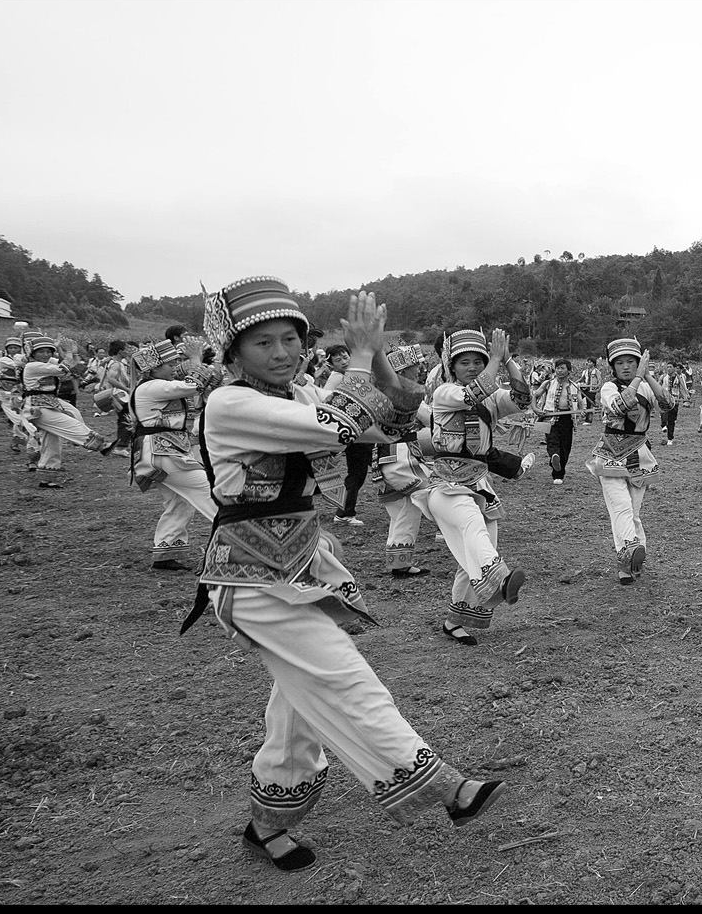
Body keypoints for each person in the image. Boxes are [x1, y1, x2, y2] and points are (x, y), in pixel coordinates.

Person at [184, 280, 505, 871]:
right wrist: (359, 358)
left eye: (290, 339)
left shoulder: (302, 391)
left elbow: (397, 418)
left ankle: (267, 823)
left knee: (297, 714)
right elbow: (341, 425)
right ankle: (445, 787)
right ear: (232, 354)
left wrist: (376, 355)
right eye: (263, 343)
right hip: (255, 579)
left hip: (300, 565)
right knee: (348, 681)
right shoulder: (230, 404)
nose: (282, 353)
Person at [413, 328, 530, 645]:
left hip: (480, 481)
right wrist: (495, 361)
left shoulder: (490, 400)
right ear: (451, 366)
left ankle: (454, 620)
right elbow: (471, 394)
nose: (473, 367)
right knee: (472, 524)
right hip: (446, 481)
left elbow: (522, 398)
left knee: (476, 552)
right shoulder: (444, 394)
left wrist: (507, 362)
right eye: (464, 362)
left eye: (478, 361)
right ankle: (501, 579)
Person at [586, 337, 676, 584]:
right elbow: (620, 405)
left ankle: (630, 562)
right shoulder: (608, 387)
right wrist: (638, 378)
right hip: (611, 453)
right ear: (612, 367)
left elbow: (669, 404)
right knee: (622, 506)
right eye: (620, 363)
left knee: (632, 513)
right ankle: (629, 553)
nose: (626, 367)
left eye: (632, 362)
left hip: (639, 454)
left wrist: (647, 377)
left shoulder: (646, 386)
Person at [127, 338, 218, 570]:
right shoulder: (151, 387)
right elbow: (192, 386)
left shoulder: (156, 385)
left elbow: (209, 381)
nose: (174, 367)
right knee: (210, 489)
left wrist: (199, 360)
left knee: (180, 501)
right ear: (154, 368)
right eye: (170, 364)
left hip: (162, 450)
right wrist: (196, 359)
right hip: (162, 451)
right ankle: (237, 536)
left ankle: (166, 553)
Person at [20, 335, 116, 485]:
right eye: (41, 352)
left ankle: (47, 478)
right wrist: (70, 352)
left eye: (48, 351)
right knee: (68, 423)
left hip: (50, 402)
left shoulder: (46, 363)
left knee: (52, 440)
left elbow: (76, 368)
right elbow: (63, 368)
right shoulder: (32, 366)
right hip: (37, 406)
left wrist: (69, 351)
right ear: (32, 354)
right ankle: (100, 446)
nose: (46, 355)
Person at [373, 344, 434, 578]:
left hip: (387, 457)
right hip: (399, 456)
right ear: (402, 371)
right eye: (414, 366)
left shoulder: (383, 393)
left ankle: (399, 563)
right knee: (425, 496)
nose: (418, 369)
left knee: (403, 510)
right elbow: (431, 419)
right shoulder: (403, 394)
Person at [317, 344, 374, 527]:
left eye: (345, 357)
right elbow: (325, 401)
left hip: (360, 431)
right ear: (331, 363)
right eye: (338, 359)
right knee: (357, 474)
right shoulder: (336, 378)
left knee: (363, 471)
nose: (344, 361)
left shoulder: (348, 376)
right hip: (354, 433)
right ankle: (344, 513)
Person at [535, 357, 586, 483]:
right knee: (552, 441)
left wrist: (581, 410)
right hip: (550, 416)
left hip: (567, 418)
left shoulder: (575, 386)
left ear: (569, 371)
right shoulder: (548, 384)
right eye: (557, 368)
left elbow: (580, 402)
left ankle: (558, 466)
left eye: (562, 368)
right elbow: (535, 396)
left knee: (565, 446)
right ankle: (556, 469)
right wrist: (535, 409)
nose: (559, 371)